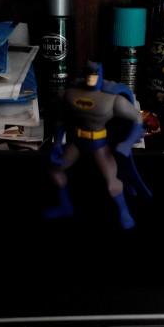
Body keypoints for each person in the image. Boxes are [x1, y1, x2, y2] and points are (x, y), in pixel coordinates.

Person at [44, 60, 151, 229]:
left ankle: (124, 212)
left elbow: (137, 118)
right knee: (55, 171)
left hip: (99, 144)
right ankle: (65, 205)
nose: (91, 77)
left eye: (94, 73)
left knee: (111, 184)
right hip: (77, 142)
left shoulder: (112, 99)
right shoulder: (69, 94)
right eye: (88, 73)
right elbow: (60, 121)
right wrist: (57, 144)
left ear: (100, 75)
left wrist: (127, 142)